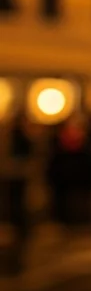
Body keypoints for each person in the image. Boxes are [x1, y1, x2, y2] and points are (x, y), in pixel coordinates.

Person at [2, 110, 33, 272]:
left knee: (16, 208)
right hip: (12, 179)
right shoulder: (16, 137)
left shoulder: (20, 138)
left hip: (15, 178)